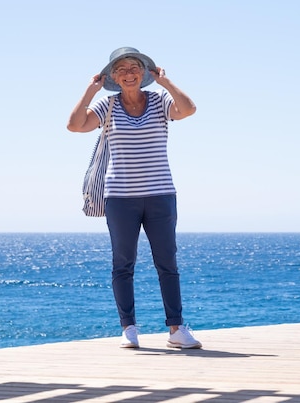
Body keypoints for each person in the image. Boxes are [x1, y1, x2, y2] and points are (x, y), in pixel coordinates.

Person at [67, 47, 201, 349]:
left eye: (134, 68)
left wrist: (166, 82)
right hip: (121, 198)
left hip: (160, 194)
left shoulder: (159, 101)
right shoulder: (108, 106)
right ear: (114, 76)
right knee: (123, 264)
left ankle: (176, 330)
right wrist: (90, 91)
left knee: (167, 262)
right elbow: (75, 125)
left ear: (144, 72)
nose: (128, 74)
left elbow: (188, 109)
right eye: (121, 69)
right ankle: (128, 328)